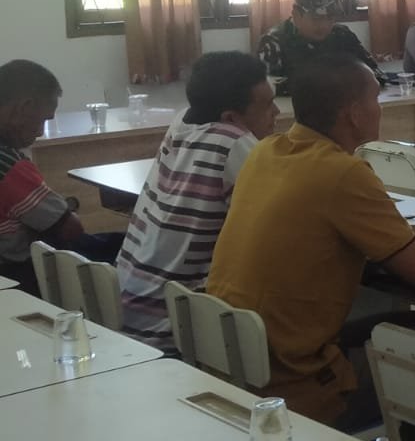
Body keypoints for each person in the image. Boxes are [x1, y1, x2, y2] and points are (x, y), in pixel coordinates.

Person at [206, 54, 415, 426]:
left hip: (239, 362)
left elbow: (377, 238)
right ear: (354, 114)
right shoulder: (342, 171)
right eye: (375, 98)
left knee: (411, 327)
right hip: (294, 384)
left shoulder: (267, 151)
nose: (379, 108)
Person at [116, 52, 280, 348]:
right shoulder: (234, 143)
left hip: (131, 310)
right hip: (172, 328)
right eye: (268, 105)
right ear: (231, 118)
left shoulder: (182, 122)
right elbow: (279, 229)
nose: (277, 112)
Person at [0, 61, 123, 294]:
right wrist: (64, 209)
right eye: (43, 120)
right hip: (20, 275)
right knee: (122, 249)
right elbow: (71, 228)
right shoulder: (8, 166)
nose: (39, 132)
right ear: (24, 108)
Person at [256, 0, 382, 94]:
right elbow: (266, 86)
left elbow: (375, 72)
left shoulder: (342, 35)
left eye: (330, 18)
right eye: (316, 19)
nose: (324, 25)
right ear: (296, 15)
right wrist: (333, 81)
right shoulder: (273, 41)